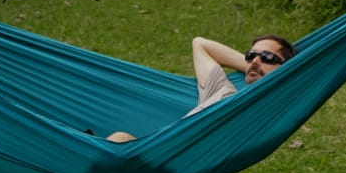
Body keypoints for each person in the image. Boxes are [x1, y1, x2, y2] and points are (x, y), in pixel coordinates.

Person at [106, 34, 295, 142]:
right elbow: (200, 44)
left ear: (285, 69)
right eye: (251, 55)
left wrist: (273, 74)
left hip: (162, 161)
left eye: (267, 57)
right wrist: (253, 67)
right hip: (154, 148)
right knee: (112, 141)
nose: (255, 61)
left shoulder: (272, 107)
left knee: (118, 140)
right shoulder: (222, 91)